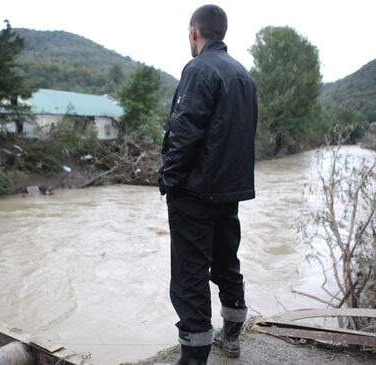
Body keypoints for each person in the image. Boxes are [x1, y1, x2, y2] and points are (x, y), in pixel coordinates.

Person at [158, 4, 258, 364]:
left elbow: (185, 131)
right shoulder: (243, 74)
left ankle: (194, 357)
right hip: (228, 191)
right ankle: (231, 338)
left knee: (190, 275)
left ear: (193, 32)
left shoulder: (198, 69)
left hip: (195, 193)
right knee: (226, 262)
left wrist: (168, 179)